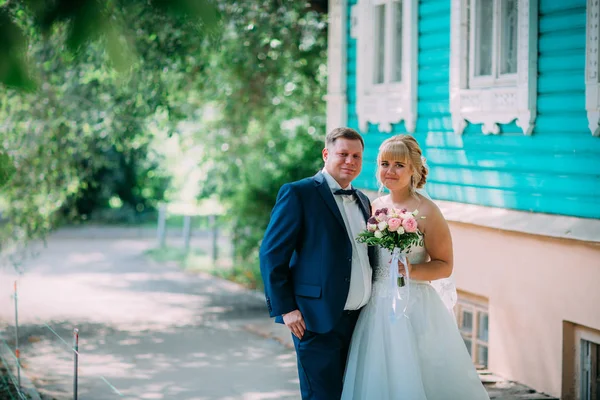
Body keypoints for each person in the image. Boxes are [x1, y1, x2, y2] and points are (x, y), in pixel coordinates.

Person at [341, 134, 490, 400]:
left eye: (399, 164)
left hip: (414, 307)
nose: (390, 171)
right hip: (375, 307)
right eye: (384, 163)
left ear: (414, 169)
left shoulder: (428, 211)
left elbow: (445, 266)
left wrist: (411, 270)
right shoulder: (374, 206)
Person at [259, 127, 376, 400]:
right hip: (315, 319)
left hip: (360, 321)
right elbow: (271, 253)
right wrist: (286, 308)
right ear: (326, 154)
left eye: (356, 156)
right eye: (343, 154)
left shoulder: (363, 200)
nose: (350, 161)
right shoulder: (298, 193)